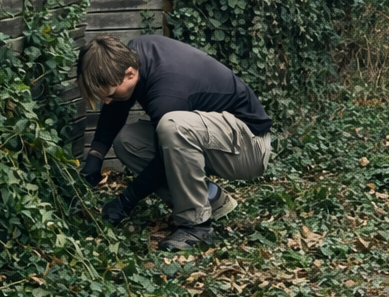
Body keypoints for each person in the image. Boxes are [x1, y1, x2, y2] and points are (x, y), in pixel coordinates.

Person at [77, 33, 272, 252]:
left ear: (130, 74)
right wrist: (95, 157)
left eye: (110, 94)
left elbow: (164, 160)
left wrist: (126, 201)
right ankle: (211, 198)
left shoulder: (167, 93)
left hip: (249, 147)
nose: (106, 101)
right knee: (127, 141)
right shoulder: (134, 55)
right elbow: (115, 110)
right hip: (217, 136)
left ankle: (196, 226)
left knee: (173, 128)